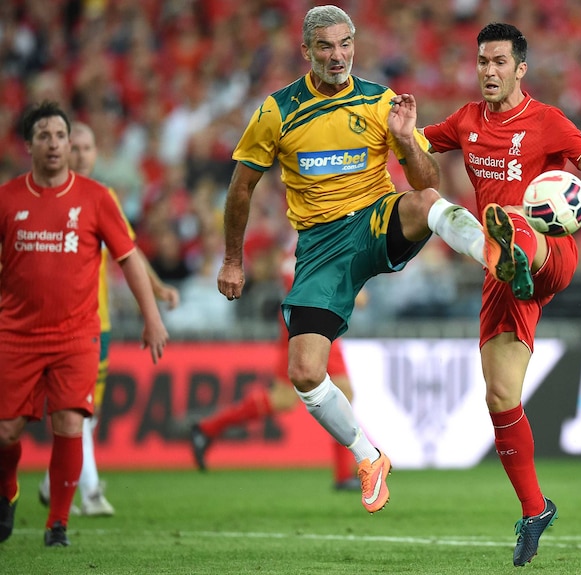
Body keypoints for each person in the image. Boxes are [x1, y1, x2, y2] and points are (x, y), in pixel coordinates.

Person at [216, 5, 501, 515]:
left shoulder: (379, 101)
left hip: (373, 220)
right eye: (325, 46)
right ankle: (369, 459)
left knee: (424, 203)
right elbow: (240, 189)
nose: (337, 56)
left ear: (355, 45)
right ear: (306, 51)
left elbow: (423, 178)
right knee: (304, 371)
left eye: (344, 44)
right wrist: (232, 261)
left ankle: (495, 255)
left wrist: (405, 139)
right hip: (321, 248)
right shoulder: (277, 111)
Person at [421, 23, 581, 566]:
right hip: (504, 276)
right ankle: (535, 508)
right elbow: (418, 144)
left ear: (521, 68)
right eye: (482, 61)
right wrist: (400, 133)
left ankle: (513, 249)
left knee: (503, 216)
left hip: (550, 253)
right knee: (500, 398)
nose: (488, 71)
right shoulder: (466, 122)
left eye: (499, 62)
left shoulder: (548, 122)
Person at [0, 101, 169, 547]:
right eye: (45, 136)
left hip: (76, 335)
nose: (55, 145)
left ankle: (57, 524)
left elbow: (129, 259)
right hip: (15, 334)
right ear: (29, 145)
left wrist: (151, 318)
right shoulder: (8, 198)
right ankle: (7, 489)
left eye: (62, 136)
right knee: (6, 432)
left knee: (70, 425)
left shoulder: (95, 198)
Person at [37, 122, 180, 517]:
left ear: (96, 153)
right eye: (75, 147)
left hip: (91, 323)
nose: (80, 155)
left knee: (84, 412)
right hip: (36, 325)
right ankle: (85, 489)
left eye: (86, 147)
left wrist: (157, 289)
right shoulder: (39, 198)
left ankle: (66, 484)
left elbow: (128, 252)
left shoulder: (102, 198)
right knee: (52, 414)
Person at [191, 263, 364, 492]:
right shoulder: (320, 236)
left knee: (282, 399)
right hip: (315, 316)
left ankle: (207, 429)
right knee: (342, 392)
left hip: (309, 314)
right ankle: (343, 475)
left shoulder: (306, 238)